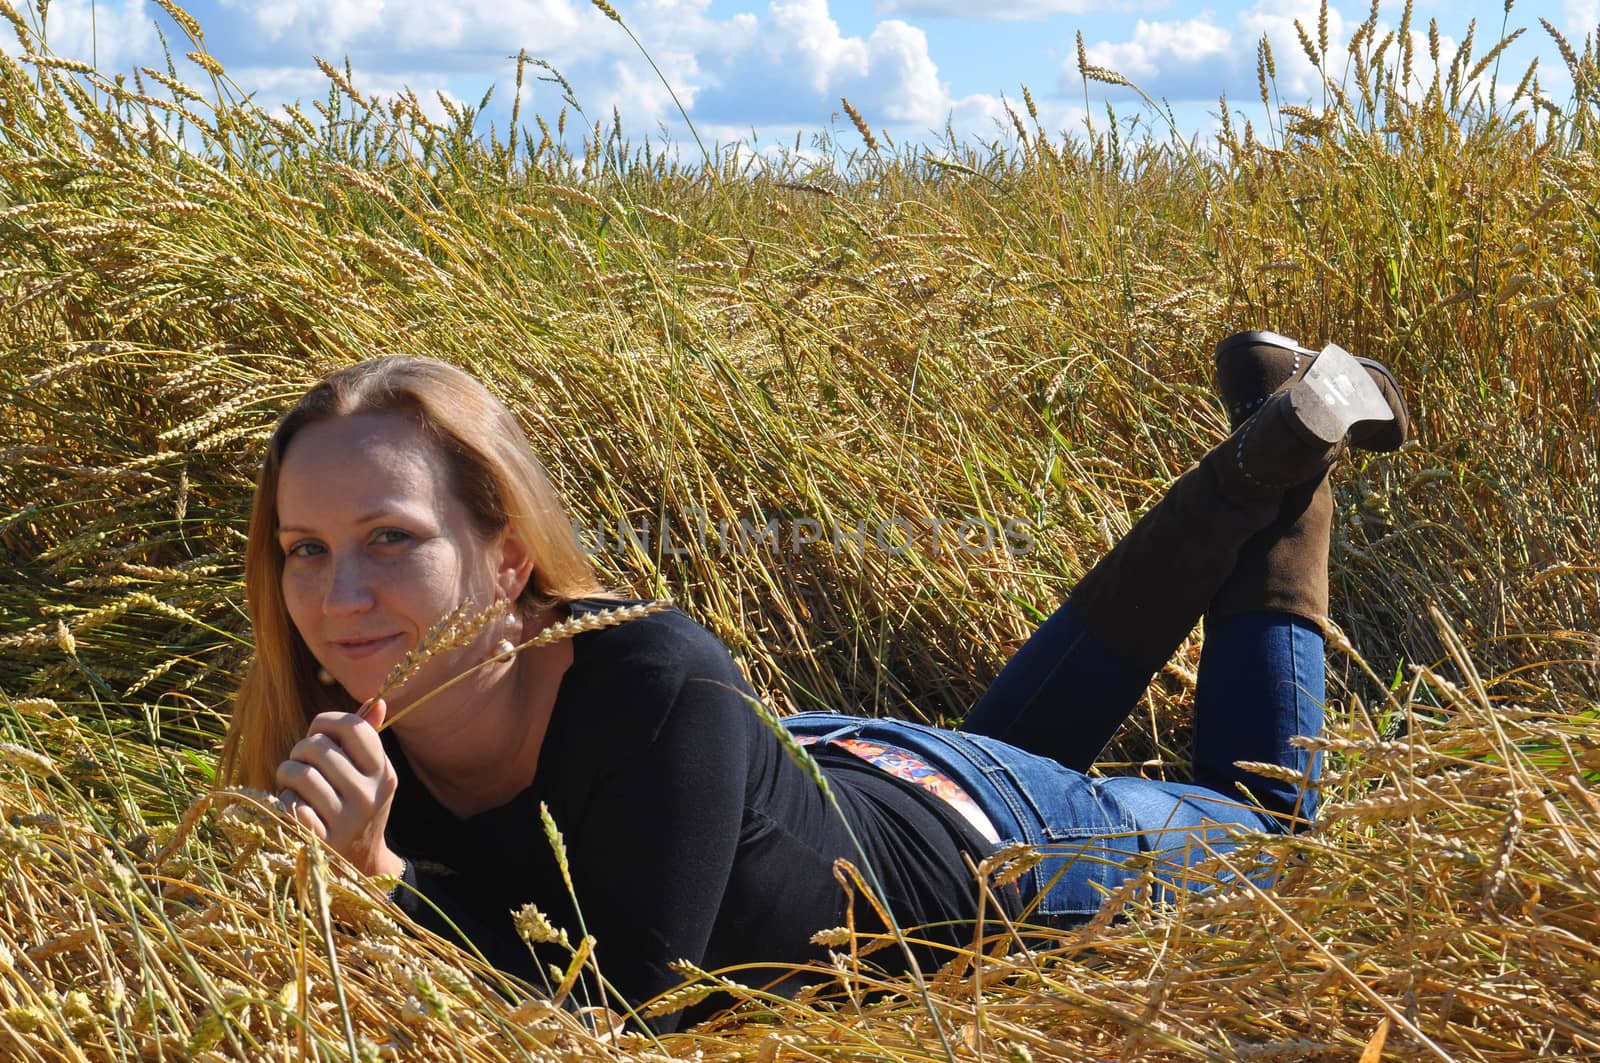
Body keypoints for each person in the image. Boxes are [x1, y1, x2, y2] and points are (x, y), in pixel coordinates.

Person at [219, 332, 1409, 1032]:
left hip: (984, 845)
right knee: (1004, 746)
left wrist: (380, 884)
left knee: (1276, 839)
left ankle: (1291, 468)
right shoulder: (332, 741)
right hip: (826, 780)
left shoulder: (649, 674)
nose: (339, 598)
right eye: (305, 549)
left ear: (509, 553)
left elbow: (633, 1007)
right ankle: (1272, 435)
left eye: (392, 538)